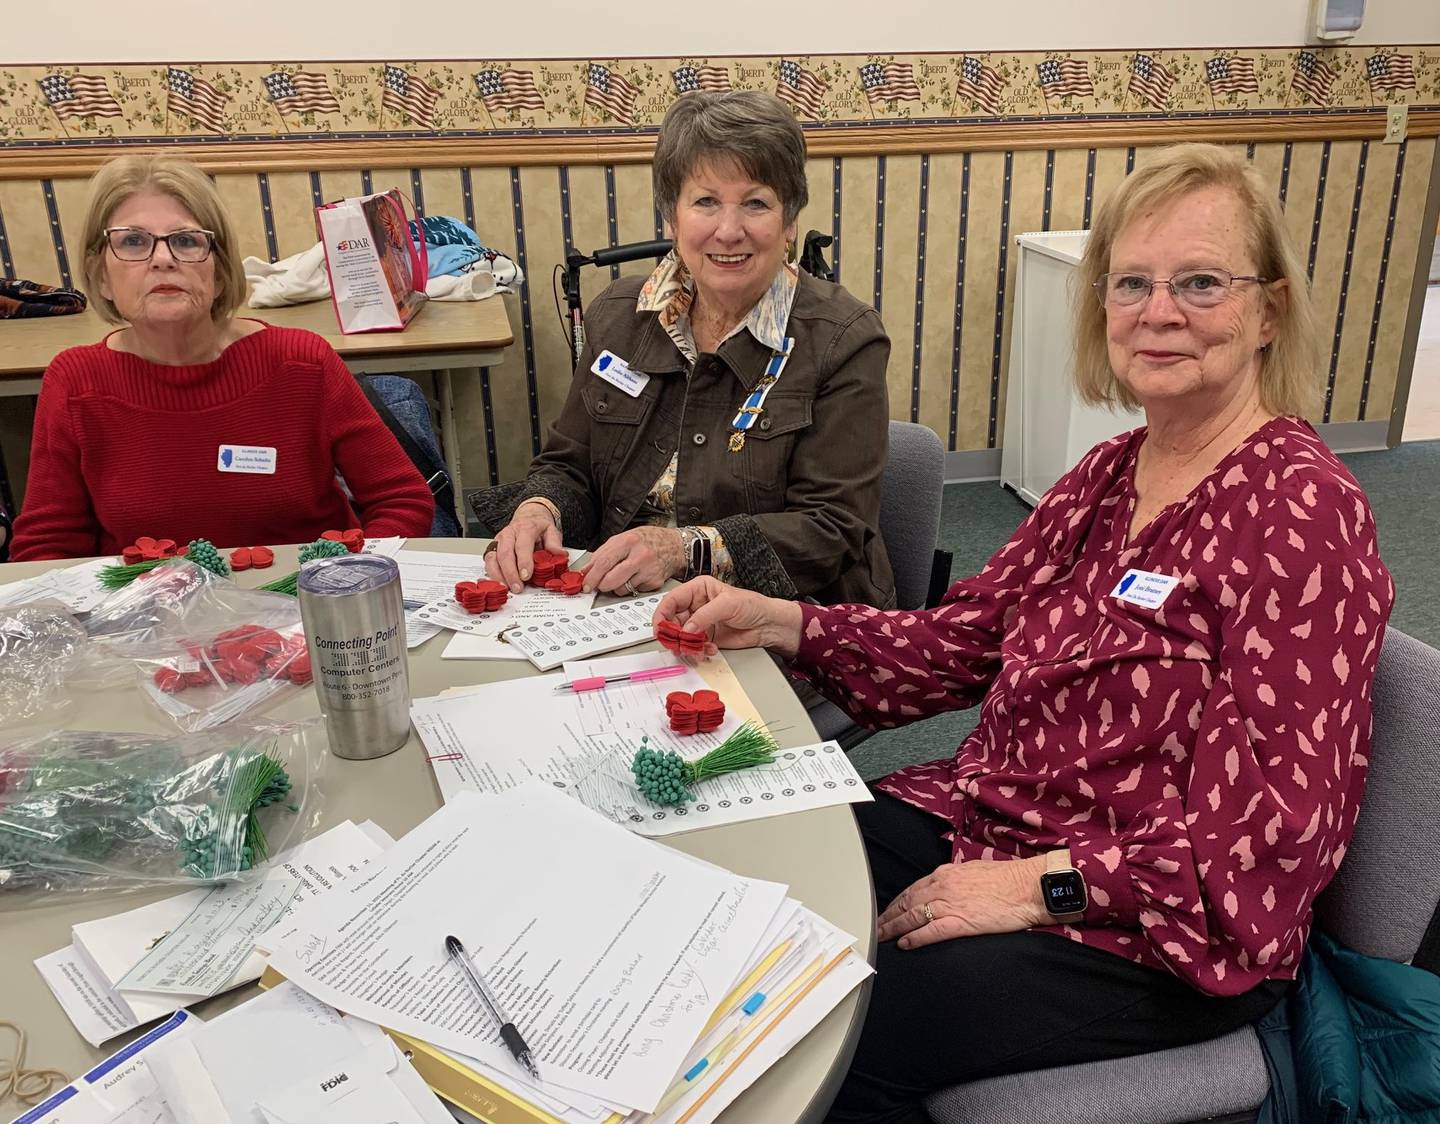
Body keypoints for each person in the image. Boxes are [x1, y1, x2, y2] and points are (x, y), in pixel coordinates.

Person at [653, 143, 1395, 1123]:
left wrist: (1036, 886)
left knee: (835, 1027)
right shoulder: (1108, 474)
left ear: (1269, 309)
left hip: (1154, 923)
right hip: (987, 818)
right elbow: (966, 640)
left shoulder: (1302, 517)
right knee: (765, 867)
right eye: (1131, 282)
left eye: (1200, 282)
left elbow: (1267, 846)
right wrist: (789, 620)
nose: (1158, 311)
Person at [475, 90, 895, 608]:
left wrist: (682, 549)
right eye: (705, 201)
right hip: (623, 606)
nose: (728, 230)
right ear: (672, 219)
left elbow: (831, 530)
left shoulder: (844, 340)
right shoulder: (620, 315)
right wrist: (540, 509)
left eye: (757, 203)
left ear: (788, 223)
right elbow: (570, 465)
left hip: (782, 618)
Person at [11, 155, 434, 562]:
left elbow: (402, 501)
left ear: (220, 271)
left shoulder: (302, 362)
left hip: (307, 613)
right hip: (148, 624)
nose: (163, 259)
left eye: (186, 240)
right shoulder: (75, 382)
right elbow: (45, 548)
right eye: (133, 241)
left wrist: (342, 584)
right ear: (101, 274)